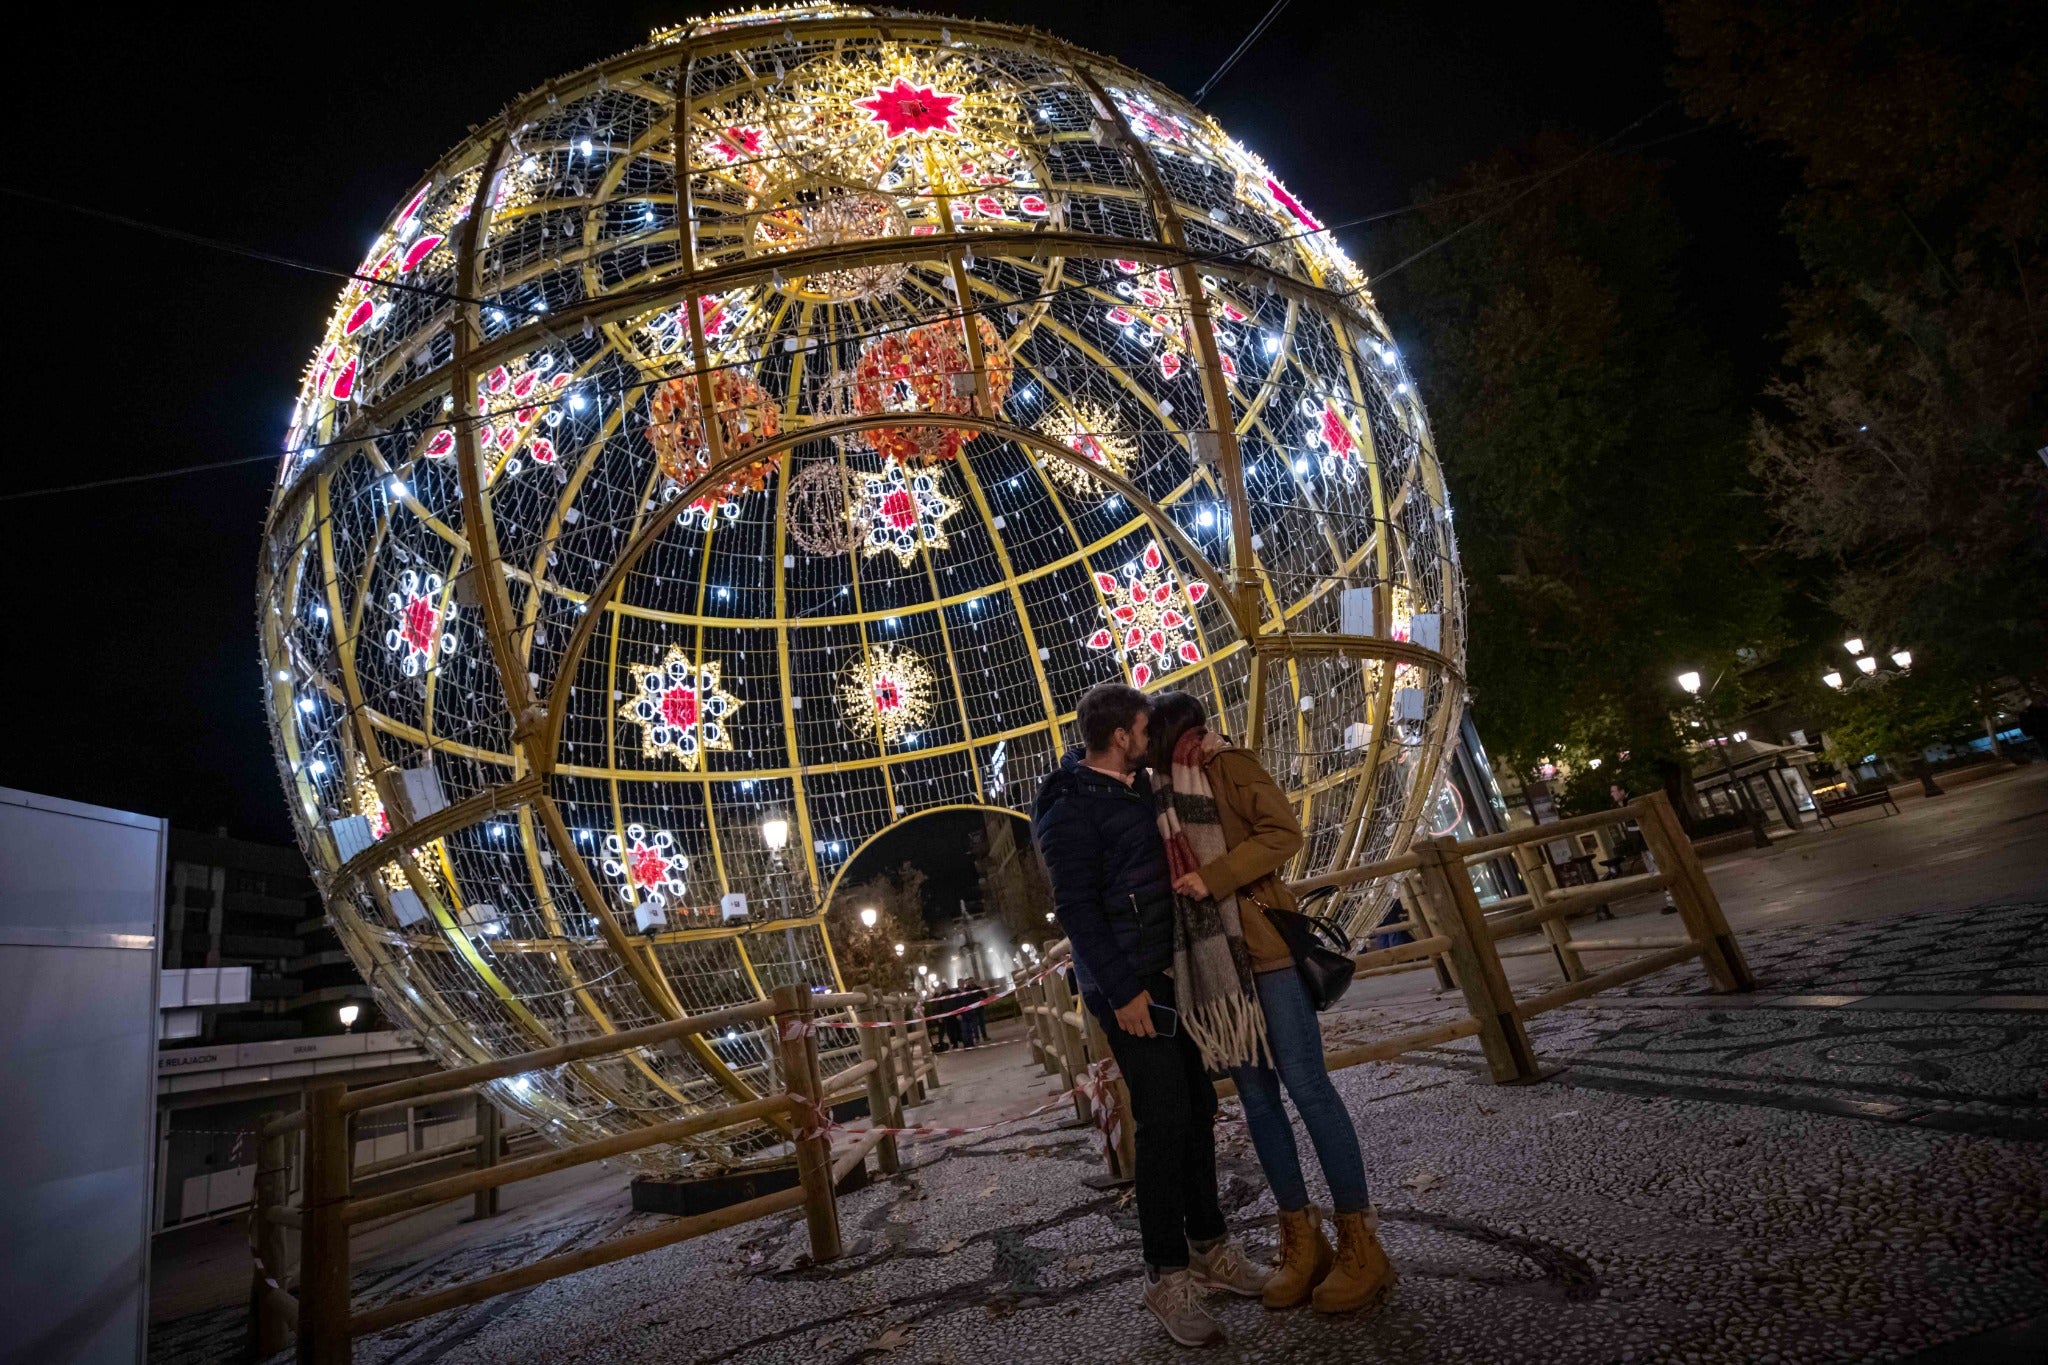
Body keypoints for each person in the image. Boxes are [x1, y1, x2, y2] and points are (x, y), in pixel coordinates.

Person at [1147, 690, 1396, 1317]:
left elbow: (1284, 831)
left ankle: (1361, 1242)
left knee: (1308, 1088)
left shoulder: (1228, 764)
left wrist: (1216, 877)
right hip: (1217, 972)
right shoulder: (1156, 793)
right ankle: (1300, 1241)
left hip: (1268, 955)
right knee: (1257, 1100)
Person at [1033, 683, 1266, 1347]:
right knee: (1162, 1121)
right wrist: (1122, 991)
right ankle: (1166, 1275)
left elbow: (1194, 758)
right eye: (1143, 728)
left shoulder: (1143, 784)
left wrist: (1212, 745)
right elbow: (1077, 910)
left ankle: (1209, 1246)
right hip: (1133, 986)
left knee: (1196, 1106)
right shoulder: (1069, 804)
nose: (1150, 735)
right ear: (1118, 737)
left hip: (1176, 970)